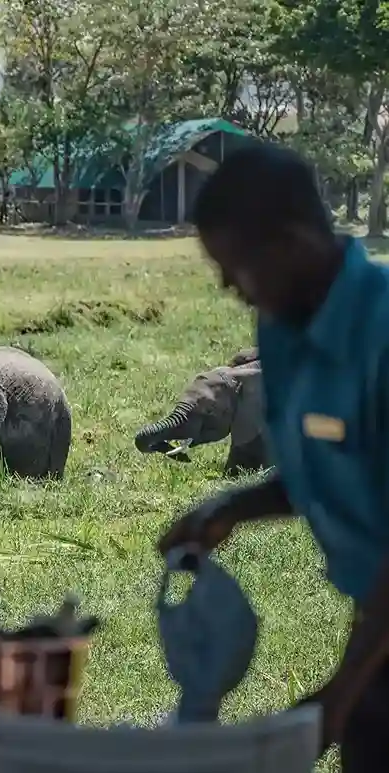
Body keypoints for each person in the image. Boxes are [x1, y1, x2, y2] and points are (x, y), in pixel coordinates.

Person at [157, 141, 389, 771]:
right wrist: (235, 505)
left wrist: (338, 700)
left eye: (237, 266)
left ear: (292, 243)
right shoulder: (282, 326)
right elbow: (332, 462)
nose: (230, 286)